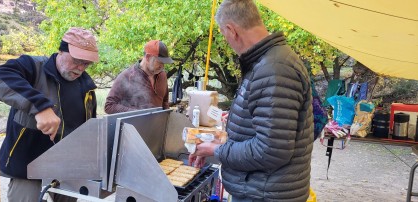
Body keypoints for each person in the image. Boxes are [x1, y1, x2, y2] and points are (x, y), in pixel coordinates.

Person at [188, 0, 314, 201]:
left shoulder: (274, 69)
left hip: (265, 194)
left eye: (223, 35)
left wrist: (217, 150)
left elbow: (271, 150)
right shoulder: (268, 61)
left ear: (231, 30)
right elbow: (270, 126)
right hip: (262, 189)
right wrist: (241, 117)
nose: (227, 42)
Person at [0, 27, 99, 201]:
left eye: (86, 64)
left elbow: (88, 129)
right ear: (61, 50)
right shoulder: (33, 67)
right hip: (27, 163)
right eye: (76, 60)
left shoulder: (87, 86)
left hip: (67, 166)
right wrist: (40, 106)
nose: (80, 68)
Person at [104, 40, 172, 114]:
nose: (162, 66)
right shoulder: (127, 77)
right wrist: (136, 113)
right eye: (159, 62)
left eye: (164, 63)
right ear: (148, 57)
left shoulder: (162, 75)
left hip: (158, 124)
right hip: (132, 125)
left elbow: (165, 101)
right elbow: (109, 106)